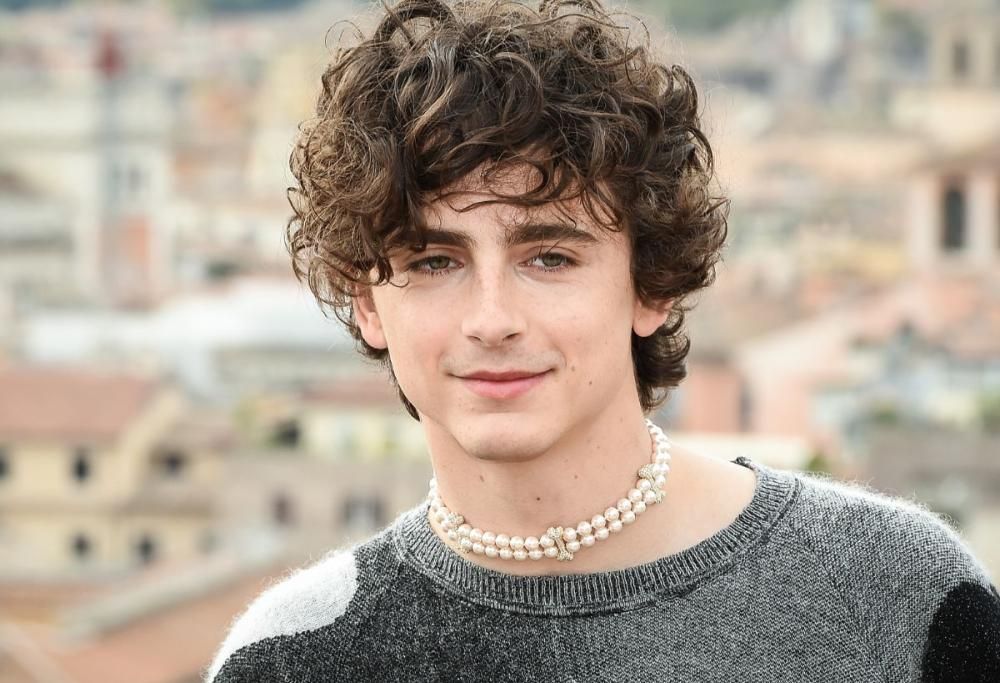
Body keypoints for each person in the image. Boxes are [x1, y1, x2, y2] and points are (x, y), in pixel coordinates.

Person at [205, 0, 1000, 679]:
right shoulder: (291, 657)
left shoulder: (895, 594)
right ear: (367, 303)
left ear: (651, 283)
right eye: (433, 260)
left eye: (549, 257)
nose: (491, 317)